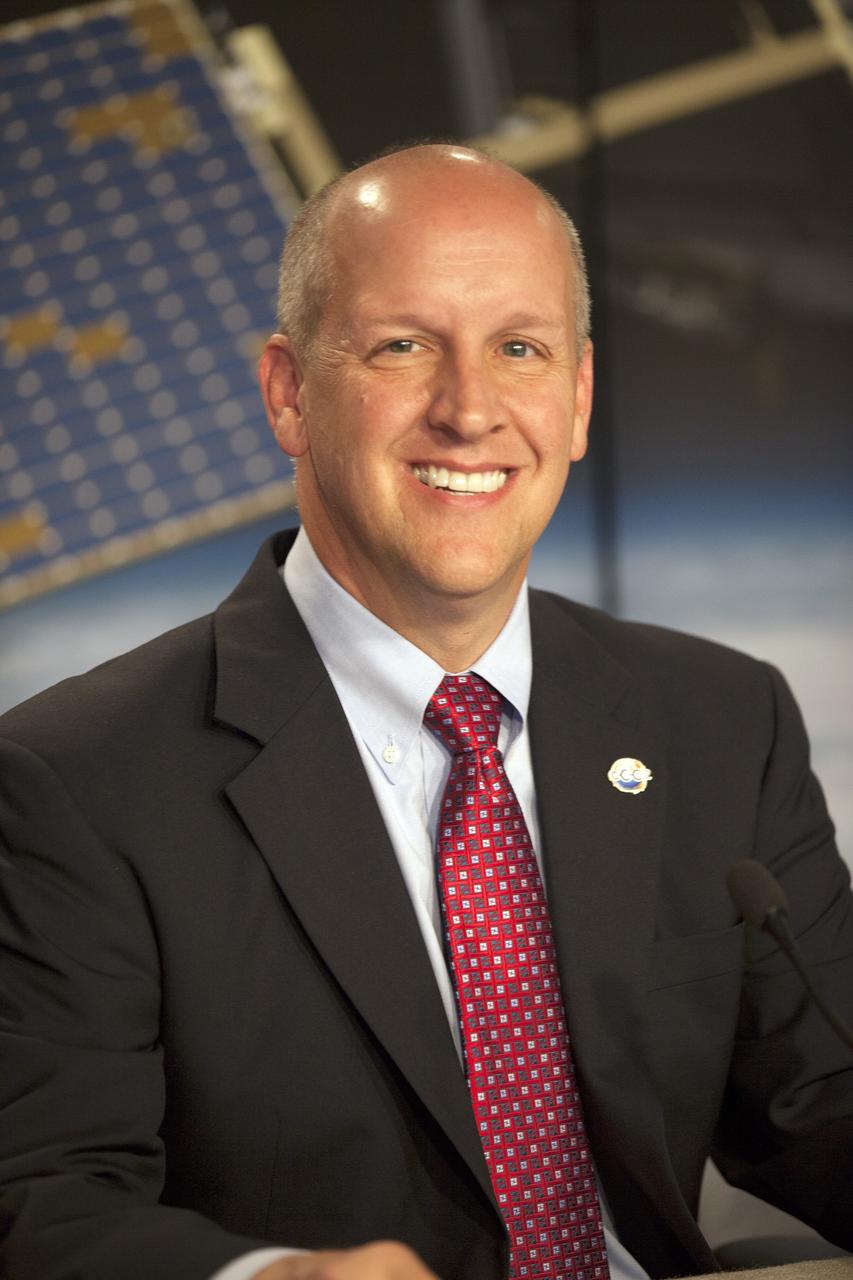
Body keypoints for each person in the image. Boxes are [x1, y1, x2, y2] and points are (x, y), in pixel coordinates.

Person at [0, 144, 851, 1280]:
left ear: (579, 395)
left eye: (519, 349)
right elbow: (41, 1200)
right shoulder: (76, 779)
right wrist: (271, 1279)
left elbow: (825, 1102)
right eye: (404, 345)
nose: (469, 410)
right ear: (290, 392)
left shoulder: (719, 718)